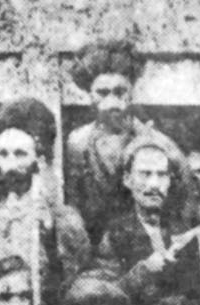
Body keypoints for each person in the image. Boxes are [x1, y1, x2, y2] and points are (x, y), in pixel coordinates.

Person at [0, 99, 91, 303]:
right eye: (3, 154)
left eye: (20, 154)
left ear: (39, 159)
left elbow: (73, 287)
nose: (10, 165)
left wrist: (50, 237)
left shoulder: (64, 220)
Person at [95, 131, 200, 305]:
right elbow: (105, 297)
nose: (154, 185)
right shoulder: (114, 235)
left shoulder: (185, 229)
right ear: (127, 179)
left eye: (162, 175)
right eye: (145, 174)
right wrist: (143, 271)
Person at [64, 41, 187, 246]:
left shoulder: (158, 143)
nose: (112, 102)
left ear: (131, 92)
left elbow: (185, 203)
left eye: (120, 92)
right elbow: (74, 202)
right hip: (98, 246)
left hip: (146, 243)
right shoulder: (78, 143)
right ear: (90, 95)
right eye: (102, 93)